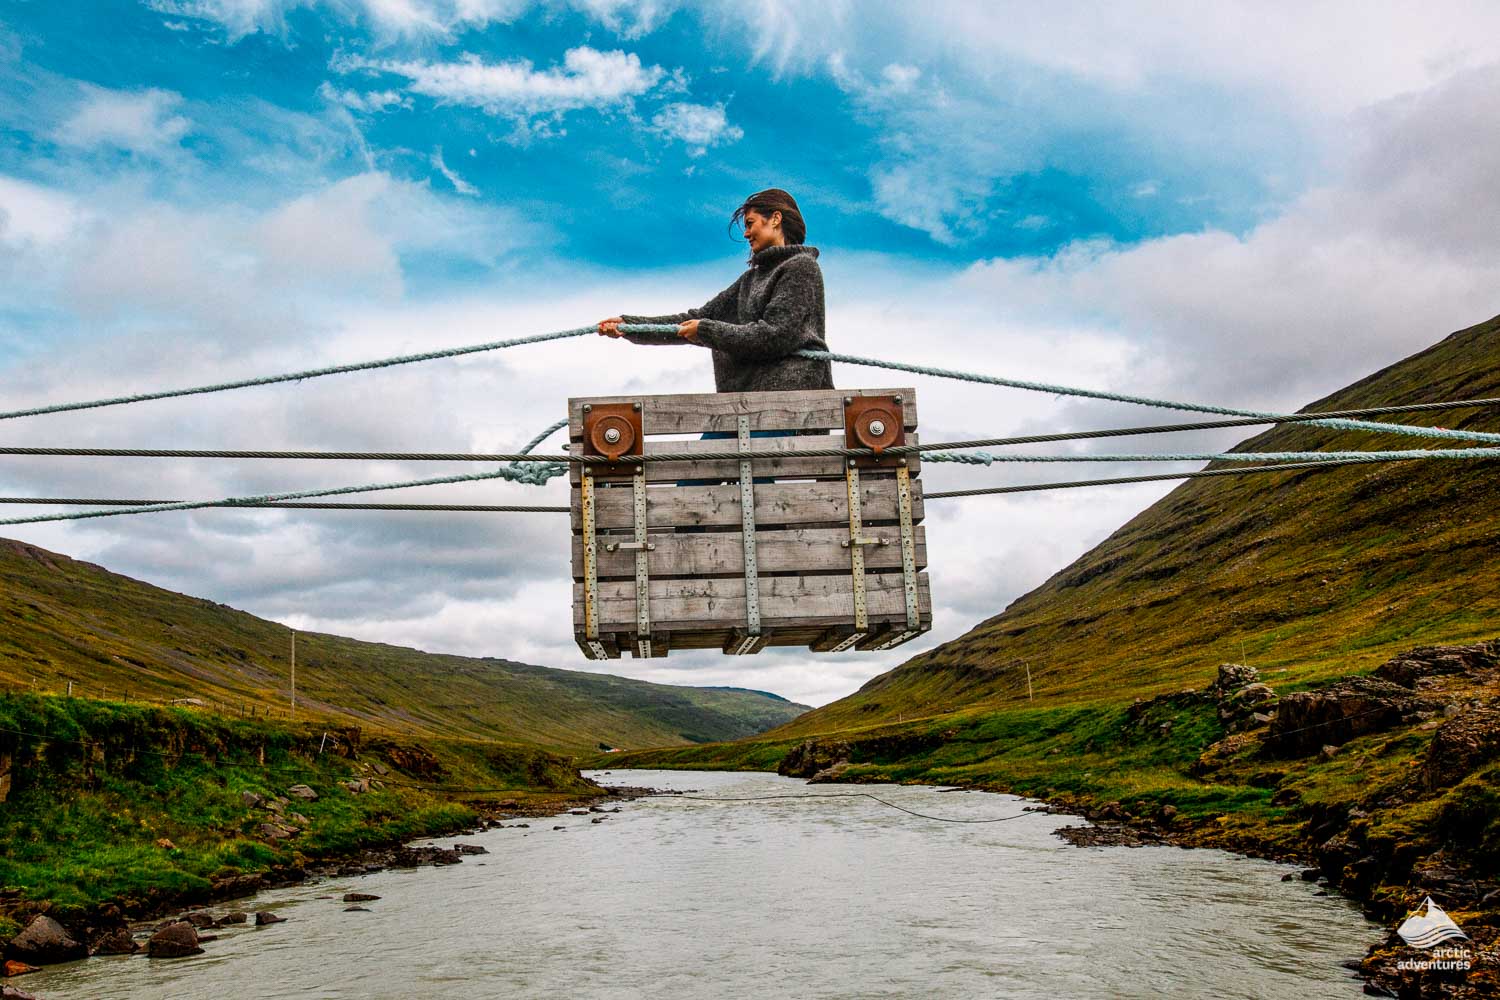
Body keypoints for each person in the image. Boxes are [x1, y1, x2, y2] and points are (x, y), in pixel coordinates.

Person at [597, 188, 834, 393]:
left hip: (790, 406)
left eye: (750, 223)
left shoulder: (801, 268)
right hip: (746, 407)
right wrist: (628, 326)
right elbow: (694, 321)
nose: (745, 233)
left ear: (775, 219)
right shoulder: (749, 280)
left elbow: (776, 336)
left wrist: (706, 330)